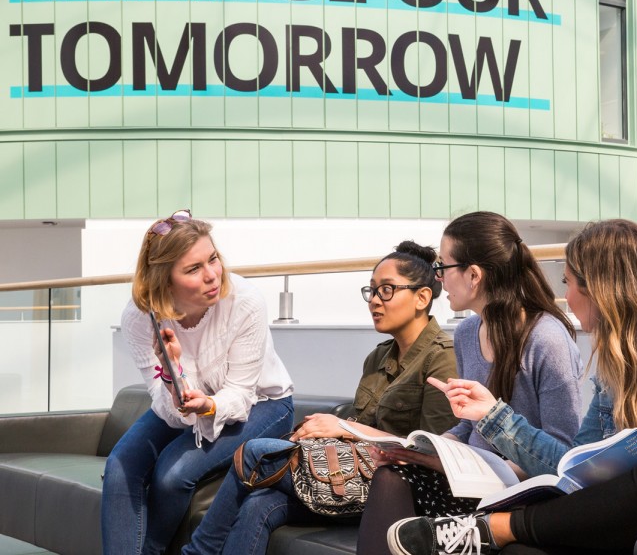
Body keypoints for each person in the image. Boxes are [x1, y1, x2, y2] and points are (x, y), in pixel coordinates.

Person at [387, 218, 637, 555]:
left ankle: (492, 528)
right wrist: (493, 416)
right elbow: (568, 467)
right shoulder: (613, 371)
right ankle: (496, 531)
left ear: (600, 288)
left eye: (568, 283)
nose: (564, 297)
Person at [181, 240, 459, 554]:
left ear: (422, 297)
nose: (375, 301)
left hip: (402, 487)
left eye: (387, 290)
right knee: (260, 504)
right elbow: (358, 438)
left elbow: (432, 450)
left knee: (254, 452)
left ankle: (197, 551)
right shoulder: (377, 358)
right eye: (372, 291)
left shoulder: (443, 358)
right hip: (354, 474)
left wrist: (344, 427)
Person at [357, 211, 583, 555]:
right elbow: (467, 426)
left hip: (521, 489)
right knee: (391, 475)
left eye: (443, 268)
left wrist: (496, 466)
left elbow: (563, 453)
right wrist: (427, 451)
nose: (439, 280)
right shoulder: (465, 333)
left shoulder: (546, 339)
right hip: (471, 480)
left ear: (473, 275)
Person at [101, 210, 294, 555]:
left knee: (172, 475)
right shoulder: (138, 317)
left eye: (213, 259)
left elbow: (239, 394)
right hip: (185, 403)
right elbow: (168, 409)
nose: (212, 276)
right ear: (165, 280)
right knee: (120, 464)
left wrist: (208, 405)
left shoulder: (245, 302)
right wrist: (174, 376)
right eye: (193, 269)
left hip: (261, 404)